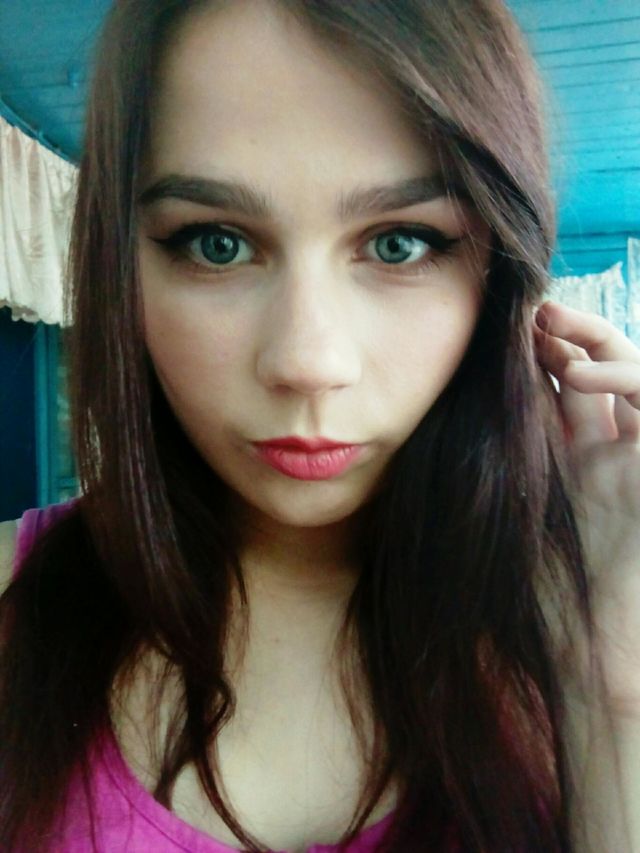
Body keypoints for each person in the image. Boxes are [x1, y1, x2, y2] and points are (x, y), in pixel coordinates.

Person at [2, 0, 640, 850]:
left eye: (401, 243)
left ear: (500, 277)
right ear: (122, 262)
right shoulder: (11, 596)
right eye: (217, 243)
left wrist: (610, 693)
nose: (308, 361)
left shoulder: (596, 609)